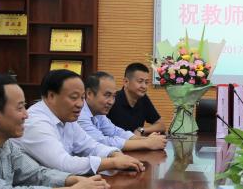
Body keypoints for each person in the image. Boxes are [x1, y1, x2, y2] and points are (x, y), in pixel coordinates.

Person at [16, 70, 146, 175]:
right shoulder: (36, 122)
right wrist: (113, 163)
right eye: (74, 97)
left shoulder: (67, 117)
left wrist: (115, 154)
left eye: (82, 98)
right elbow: (63, 164)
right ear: (51, 96)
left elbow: (89, 145)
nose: (80, 104)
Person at [79, 72, 167, 151]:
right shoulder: (79, 113)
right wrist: (147, 143)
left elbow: (115, 132)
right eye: (107, 95)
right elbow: (101, 142)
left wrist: (147, 140)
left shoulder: (98, 112)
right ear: (89, 94)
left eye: (113, 96)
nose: (111, 102)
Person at [106, 62, 166, 134]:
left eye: (146, 82)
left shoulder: (143, 99)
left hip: (136, 140)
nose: (144, 86)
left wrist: (141, 130)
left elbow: (161, 126)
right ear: (126, 82)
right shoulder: (112, 100)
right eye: (140, 81)